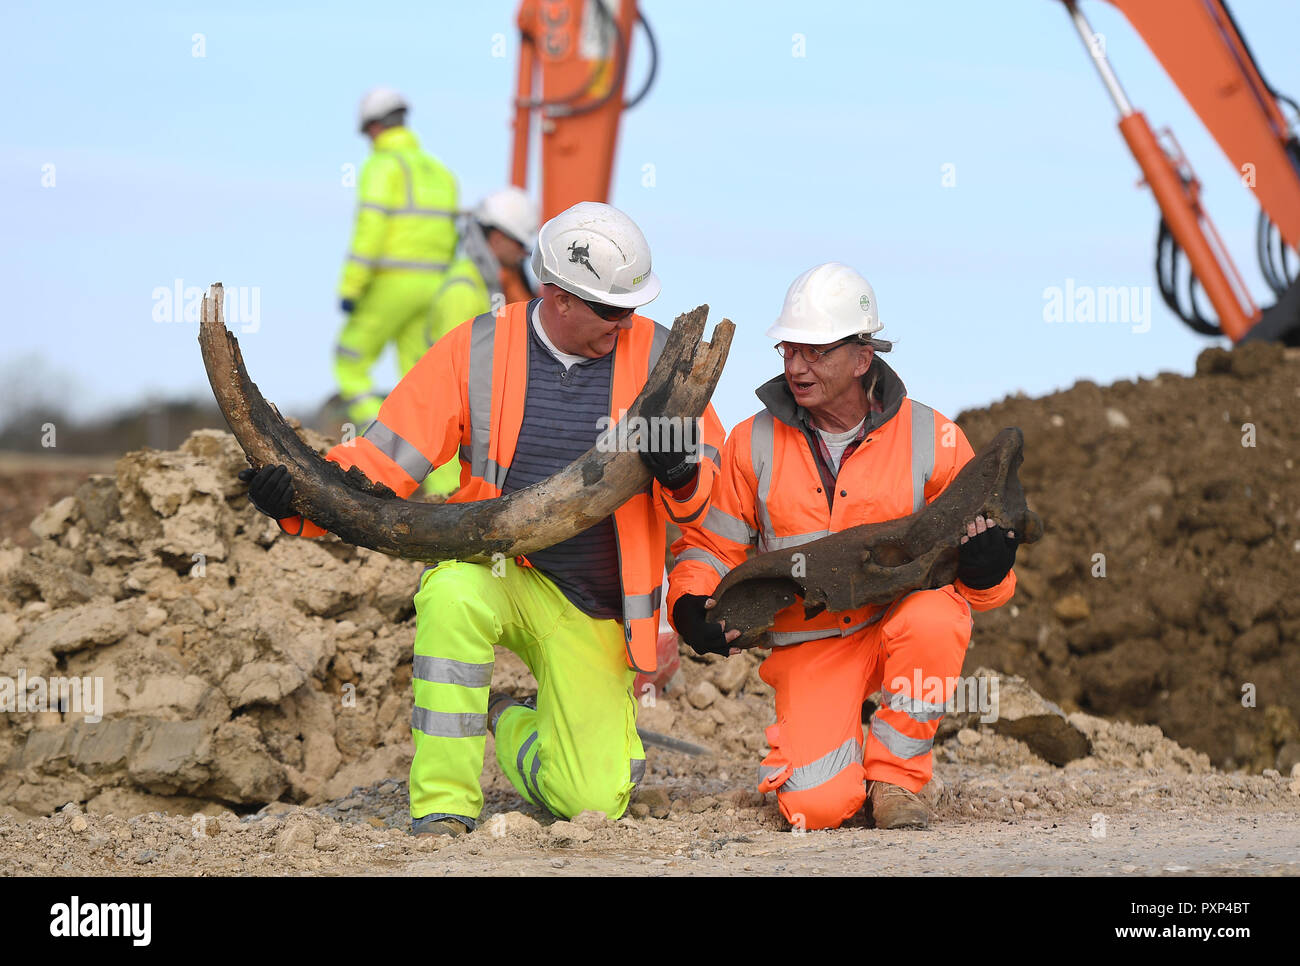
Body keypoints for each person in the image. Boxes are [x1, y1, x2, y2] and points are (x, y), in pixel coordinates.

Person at [240, 202, 725, 836]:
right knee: (450, 595)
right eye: (608, 310)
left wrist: (683, 474)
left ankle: (513, 722)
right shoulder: (478, 349)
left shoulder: (664, 358)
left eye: (630, 308)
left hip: (598, 606)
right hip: (503, 571)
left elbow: (709, 487)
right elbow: (383, 460)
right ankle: (443, 805)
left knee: (593, 800)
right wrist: (301, 500)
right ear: (557, 296)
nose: (623, 322)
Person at [668, 262, 1019, 831]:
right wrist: (690, 603)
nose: (795, 367)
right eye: (788, 350)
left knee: (936, 616)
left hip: (897, 625)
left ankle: (897, 779)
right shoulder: (751, 441)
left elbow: (985, 578)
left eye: (815, 352)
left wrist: (986, 571)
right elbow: (711, 546)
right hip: (812, 646)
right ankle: (842, 755)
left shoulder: (935, 438)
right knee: (816, 808)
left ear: (863, 357)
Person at [396, 187, 540, 495]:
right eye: (520, 244)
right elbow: (457, 377)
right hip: (449, 440)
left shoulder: (485, 284)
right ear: (498, 237)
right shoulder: (463, 289)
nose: (523, 255)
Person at [333, 88, 458, 427]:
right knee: (420, 381)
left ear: (373, 127)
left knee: (349, 361)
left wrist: (351, 288)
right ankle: (441, 477)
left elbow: (369, 232)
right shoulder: (439, 170)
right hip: (434, 287)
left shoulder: (381, 167)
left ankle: (382, 441)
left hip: (391, 285)